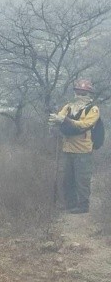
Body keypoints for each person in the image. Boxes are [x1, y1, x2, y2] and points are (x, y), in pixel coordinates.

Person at [48, 79, 100, 214]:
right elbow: (59, 117)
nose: (80, 94)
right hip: (67, 148)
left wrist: (65, 120)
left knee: (82, 179)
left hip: (83, 150)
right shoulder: (68, 107)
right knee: (67, 179)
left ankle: (83, 206)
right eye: (78, 91)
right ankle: (70, 204)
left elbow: (84, 125)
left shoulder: (93, 109)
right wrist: (55, 121)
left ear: (89, 94)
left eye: (83, 92)